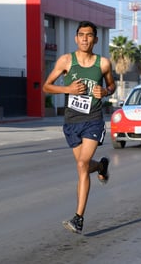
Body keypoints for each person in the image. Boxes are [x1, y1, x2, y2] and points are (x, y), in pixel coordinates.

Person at [42, 21, 116, 234]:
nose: (85, 38)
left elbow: (111, 85)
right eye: (81, 35)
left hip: (93, 120)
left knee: (82, 164)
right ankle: (101, 167)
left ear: (96, 39)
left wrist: (106, 92)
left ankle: (78, 218)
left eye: (89, 35)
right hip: (72, 121)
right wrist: (68, 88)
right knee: (84, 166)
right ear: (76, 38)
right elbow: (47, 86)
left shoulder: (103, 64)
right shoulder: (66, 60)